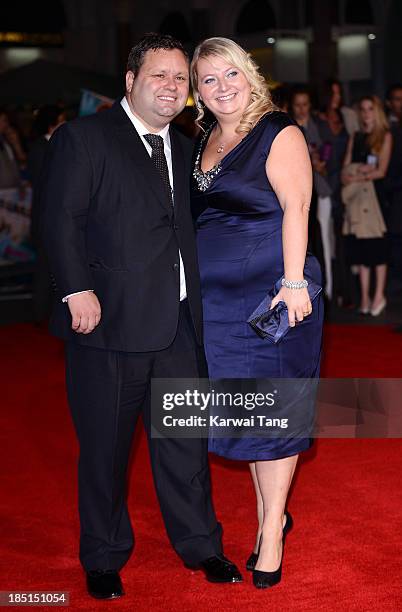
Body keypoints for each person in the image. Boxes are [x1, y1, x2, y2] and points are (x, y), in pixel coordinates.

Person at [40, 33, 241, 600]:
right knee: (105, 449)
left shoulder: (186, 147)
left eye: (181, 78)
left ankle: (201, 544)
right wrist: (75, 288)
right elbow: (59, 221)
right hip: (107, 326)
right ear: (130, 80)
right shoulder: (84, 139)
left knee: (184, 446)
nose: (173, 86)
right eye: (161, 75)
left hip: (177, 325)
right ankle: (103, 556)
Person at [190, 38, 323, 589]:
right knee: (248, 417)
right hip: (215, 306)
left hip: (271, 297)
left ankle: (271, 530)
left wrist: (293, 282)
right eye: (208, 80)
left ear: (249, 75)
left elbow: (298, 206)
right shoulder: (203, 140)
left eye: (230, 74)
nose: (222, 87)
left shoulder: (278, 130)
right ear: (197, 92)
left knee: (275, 414)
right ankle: (275, 515)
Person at [342, 96, 392, 316]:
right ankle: (365, 297)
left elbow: (381, 171)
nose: (366, 113)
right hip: (357, 200)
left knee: (378, 251)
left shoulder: (384, 136)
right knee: (360, 252)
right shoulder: (356, 136)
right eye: (362, 109)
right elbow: (345, 171)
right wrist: (358, 171)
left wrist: (358, 174)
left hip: (376, 200)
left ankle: (379, 295)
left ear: (377, 111)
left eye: (370, 109)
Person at [291, 87, 333, 299]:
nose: (301, 108)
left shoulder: (320, 126)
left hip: (321, 187)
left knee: (322, 236)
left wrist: (319, 162)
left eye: (305, 104)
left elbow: (330, 157)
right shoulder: (288, 126)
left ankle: (328, 288)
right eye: (297, 104)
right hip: (299, 190)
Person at [27, 105, 66, 322]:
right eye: (61, 119)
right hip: (45, 218)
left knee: (53, 265)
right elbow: (44, 183)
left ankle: (47, 311)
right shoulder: (41, 148)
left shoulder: (54, 146)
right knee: (44, 267)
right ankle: (40, 313)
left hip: (53, 216)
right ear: (52, 123)